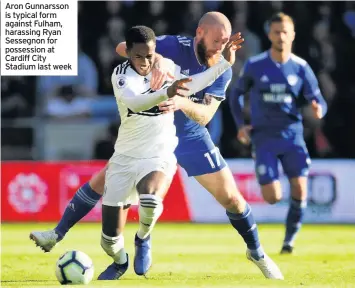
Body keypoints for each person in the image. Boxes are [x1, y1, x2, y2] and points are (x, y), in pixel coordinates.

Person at [30, 12, 283, 280]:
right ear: (200, 33)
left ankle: (256, 252)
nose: (221, 47)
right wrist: (158, 58)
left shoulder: (222, 67)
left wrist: (181, 102)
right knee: (103, 184)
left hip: (190, 136)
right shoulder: (174, 46)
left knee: (232, 198)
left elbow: (206, 115)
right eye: (217, 40)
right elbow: (123, 48)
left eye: (224, 41)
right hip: (150, 132)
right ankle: (62, 235)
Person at [97, 25, 241, 280]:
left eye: (150, 55)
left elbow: (194, 84)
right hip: (125, 158)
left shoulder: (165, 68)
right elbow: (136, 102)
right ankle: (120, 261)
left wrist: (224, 65)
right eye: (139, 56)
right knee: (109, 239)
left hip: (158, 153)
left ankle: (142, 236)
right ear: (128, 53)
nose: (145, 62)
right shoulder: (121, 76)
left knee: (151, 200)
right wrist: (167, 91)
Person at [229, 12, 328, 254]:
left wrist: (318, 110)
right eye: (276, 32)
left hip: (293, 136)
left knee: (300, 190)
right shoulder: (256, 65)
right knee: (273, 196)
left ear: (292, 35)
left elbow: (319, 100)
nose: (281, 36)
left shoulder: (301, 68)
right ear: (269, 34)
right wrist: (241, 125)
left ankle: (289, 242)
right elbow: (235, 95)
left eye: (285, 32)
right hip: (264, 137)